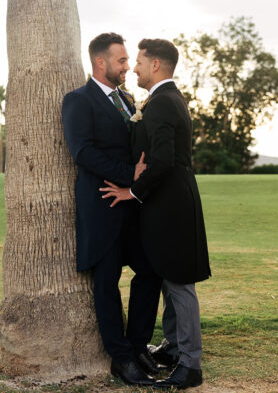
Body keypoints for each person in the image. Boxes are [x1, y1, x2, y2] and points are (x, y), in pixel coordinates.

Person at [100, 38, 211, 389]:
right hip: (169, 202)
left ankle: (190, 365)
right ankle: (174, 347)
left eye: (139, 62)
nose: (134, 68)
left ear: (156, 65)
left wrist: (131, 191)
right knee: (167, 274)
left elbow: (162, 161)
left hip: (170, 206)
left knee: (179, 281)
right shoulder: (166, 99)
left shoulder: (162, 102)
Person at [62, 33, 163, 387]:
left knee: (150, 270)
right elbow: (82, 152)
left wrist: (137, 184)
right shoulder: (78, 101)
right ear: (100, 62)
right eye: (121, 61)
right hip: (102, 205)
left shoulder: (128, 99)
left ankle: (137, 346)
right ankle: (121, 359)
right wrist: (127, 174)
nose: (127, 67)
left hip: (132, 207)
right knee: (106, 283)